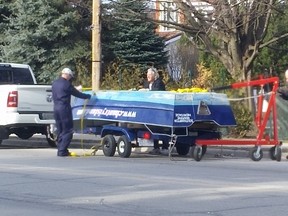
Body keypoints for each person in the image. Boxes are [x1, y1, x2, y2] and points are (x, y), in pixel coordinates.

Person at [52, 68, 91, 157]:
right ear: (67, 75)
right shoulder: (66, 84)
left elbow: (67, 91)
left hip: (56, 108)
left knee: (60, 130)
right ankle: (62, 151)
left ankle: (60, 149)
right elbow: (77, 94)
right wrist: (87, 96)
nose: (70, 78)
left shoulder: (55, 83)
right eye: (70, 76)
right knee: (68, 130)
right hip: (64, 109)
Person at [143, 67, 169, 155]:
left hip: (160, 109)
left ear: (155, 75)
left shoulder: (159, 83)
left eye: (150, 75)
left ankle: (165, 147)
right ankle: (156, 147)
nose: (148, 76)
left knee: (162, 129)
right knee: (153, 128)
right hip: (151, 110)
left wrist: (148, 91)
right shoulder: (147, 83)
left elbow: (158, 93)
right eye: (147, 75)